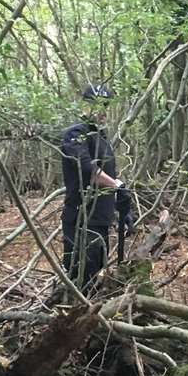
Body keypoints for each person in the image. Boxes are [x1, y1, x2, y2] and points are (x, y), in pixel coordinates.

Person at [60, 83, 133, 293]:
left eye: (105, 106)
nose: (101, 112)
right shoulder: (75, 134)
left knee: (98, 275)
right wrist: (117, 185)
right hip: (81, 220)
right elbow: (87, 169)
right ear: (85, 106)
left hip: (101, 220)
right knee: (81, 278)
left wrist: (122, 211)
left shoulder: (102, 139)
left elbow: (109, 176)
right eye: (95, 105)